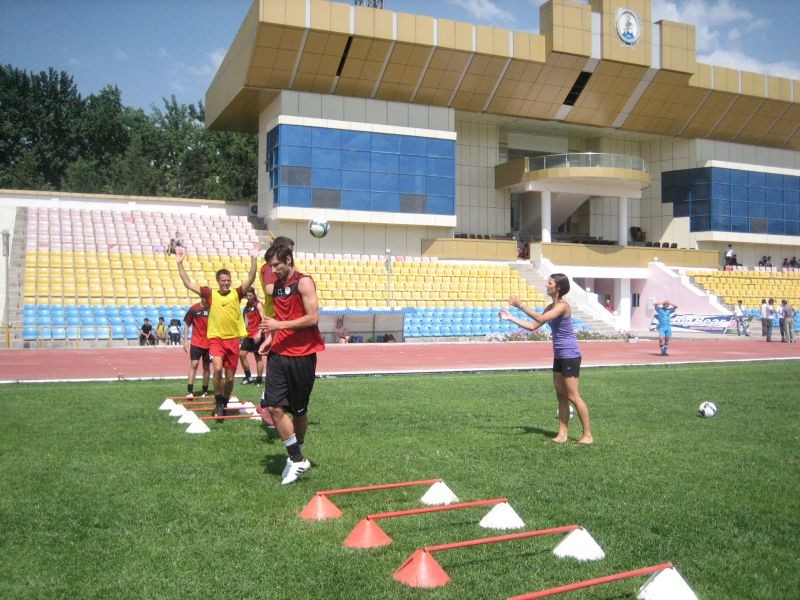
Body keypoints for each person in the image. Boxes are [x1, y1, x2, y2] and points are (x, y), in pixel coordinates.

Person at [498, 273, 592, 445]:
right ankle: (562, 434)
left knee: (573, 396)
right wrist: (510, 317)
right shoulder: (550, 307)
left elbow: (540, 319)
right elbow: (534, 326)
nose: (546, 285)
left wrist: (521, 306)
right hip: (559, 356)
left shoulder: (563, 306)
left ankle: (588, 435)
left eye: (549, 283)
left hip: (570, 356)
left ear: (558, 288)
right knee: (561, 396)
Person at [259, 243, 326, 484]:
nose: (273, 270)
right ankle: (297, 458)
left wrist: (278, 327)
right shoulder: (276, 286)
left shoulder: (304, 282)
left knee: (299, 411)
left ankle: (297, 455)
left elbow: (313, 318)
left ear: (288, 259)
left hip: (303, 355)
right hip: (278, 353)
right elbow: (279, 315)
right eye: (270, 266)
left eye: (276, 265)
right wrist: (271, 338)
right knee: (274, 407)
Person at [175, 244, 260, 419]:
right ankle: (218, 399)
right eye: (223, 280)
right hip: (216, 340)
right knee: (217, 368)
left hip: (234, 340)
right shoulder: (209, 293)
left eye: (228, 280)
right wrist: (180, 263)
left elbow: (251, 279)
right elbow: (188, 283)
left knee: (229, 378)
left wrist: (253, 259)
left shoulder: (236, 293)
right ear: (218, 281)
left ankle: (224, 400)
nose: (226, 282)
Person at [183, 297, 211, 398]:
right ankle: (190, 391)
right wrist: (185, 340)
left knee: (206, 367)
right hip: (196, 342)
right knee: (194, 364)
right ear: (202, 297)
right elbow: (187, 323)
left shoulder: (213, 308)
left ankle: (205, 390)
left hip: (210, 344)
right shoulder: (194, 309)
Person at [239, 288, 265, 385]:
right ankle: (248, 377)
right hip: (248, 335)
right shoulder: (247, 306)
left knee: (257, 357)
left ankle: (259, 380)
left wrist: (259, 332)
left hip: (257, 335)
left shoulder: (258, 304)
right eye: (247, 296)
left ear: (254, 295)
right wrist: (242, 333)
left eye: (250, 295)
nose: (248, 297)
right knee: (241, 355)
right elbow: (246, 321)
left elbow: (263, 319)